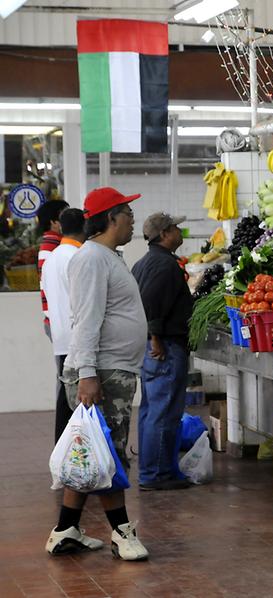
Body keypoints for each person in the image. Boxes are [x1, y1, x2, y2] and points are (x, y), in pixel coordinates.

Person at [46, 187, 149, 561]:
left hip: (112, 369)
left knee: (90, 452)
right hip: (101, 372)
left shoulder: (108, 256)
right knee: (108, 454)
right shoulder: (91, 259)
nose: (132, 219)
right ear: (110, 218)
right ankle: (122, 533)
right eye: (127, 213)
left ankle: (66, 530)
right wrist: (88, 373)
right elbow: (85, 322)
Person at [131, 213, 193, 491]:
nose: (180, 232)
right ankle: (156, 474)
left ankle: (155, 470)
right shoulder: (165, 265)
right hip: (164, 346)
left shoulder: (143, 263)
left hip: (154, 344)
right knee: (163, 409)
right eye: (176, 228)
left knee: (151, 409)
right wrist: (155, 337)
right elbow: (150, 305)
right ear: (166, 233)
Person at [40, 208, 86, 443]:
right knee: (80, 403)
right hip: (78, 340)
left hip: (60, 339)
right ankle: (78, 457)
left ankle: (64, 452)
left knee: (65, 402)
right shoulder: (77, 257)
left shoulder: (52, 258)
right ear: (84, 227)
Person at [37, 199, 69, 337]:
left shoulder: (54, 244)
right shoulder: (52, 247)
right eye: (65, 216)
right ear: (54, 222)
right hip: (58, 322)